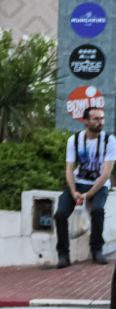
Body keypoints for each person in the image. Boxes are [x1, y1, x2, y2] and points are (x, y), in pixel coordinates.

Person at [55, 106, 115, 267]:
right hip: (78, 183)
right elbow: (69, 169)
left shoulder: (109, 141)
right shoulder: (74, 140)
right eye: (96, 119)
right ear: (86, 121)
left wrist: (87, 195)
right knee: (60, 214)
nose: (100, 122)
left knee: (97, 210)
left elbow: (106, 174)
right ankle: (63, 255)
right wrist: (74, 191)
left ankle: (97, 250)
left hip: (99, 186)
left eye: (102, 118)